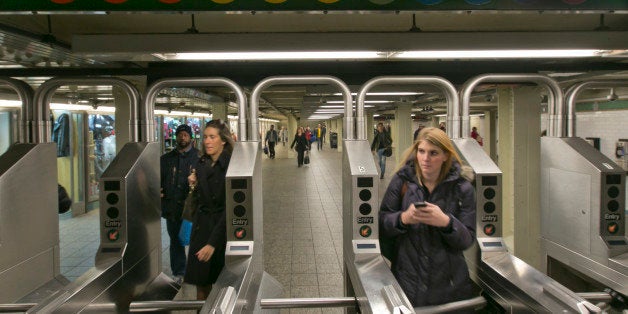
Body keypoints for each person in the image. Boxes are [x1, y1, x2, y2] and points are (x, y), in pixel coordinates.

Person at [379, 127, 476, 308]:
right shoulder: (401, 181)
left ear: (446, 155)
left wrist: (447, 222)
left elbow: (467, 239)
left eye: (433, 153)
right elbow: (383, 223)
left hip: (449, 289)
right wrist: (403, 218)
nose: (425, 159)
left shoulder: (462, 189)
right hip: (408, 282)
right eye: (421, 151)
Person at [185, 119, 234, 300]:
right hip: (201, 230)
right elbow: (198, 201)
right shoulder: (201, 163)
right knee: (201, 286)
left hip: (221, 231)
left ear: (223, 140)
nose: (207, 141)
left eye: (212, 137)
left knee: (223, 287)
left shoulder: (231, 166)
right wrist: (193, 185)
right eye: (205, 137)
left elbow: (230, 208)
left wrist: (213, 243)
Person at [160, 124, 199, 283]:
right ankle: (179, 272)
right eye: (180, 135)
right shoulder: (166, 159)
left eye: (185, 135)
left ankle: (196, 270)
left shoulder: (199, 158)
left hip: (193, 207)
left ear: (190, 137)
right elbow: (159, 180)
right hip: (173, 207)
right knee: (175, 240)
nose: (182, 137)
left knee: (196, 239)